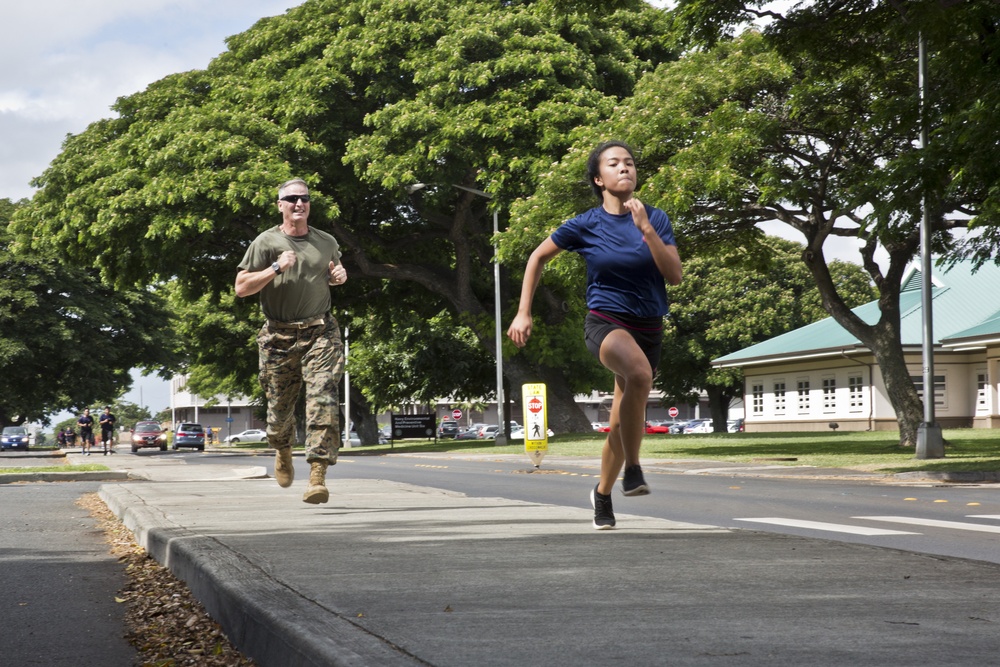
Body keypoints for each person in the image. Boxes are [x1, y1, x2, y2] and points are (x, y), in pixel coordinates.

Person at [507, 140, 682, 529]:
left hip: (649, 326)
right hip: (605, 322)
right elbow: (537, 256)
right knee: (639, 374)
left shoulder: (656, 218)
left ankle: (602, 494)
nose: (625, 169)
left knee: (620, 423)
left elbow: (674, 275)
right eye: (615, 164)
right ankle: (634, 470)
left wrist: (647, 230)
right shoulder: (586, 224)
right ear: (598, 179)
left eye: (630, 163)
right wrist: (523, 312)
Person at [235, 178, 347, 504]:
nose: (299, 204)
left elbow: (336, 270)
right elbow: (242, 287)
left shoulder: (325, 241)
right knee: (278, 414)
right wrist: (275, 266)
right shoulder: (265, 242)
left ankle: (317, 476)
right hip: (278, 337)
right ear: (280, 205)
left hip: (321, 332)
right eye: (292, 199)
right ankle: (282, 447)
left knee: (323, 397)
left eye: (305, 199)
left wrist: (340, 275)